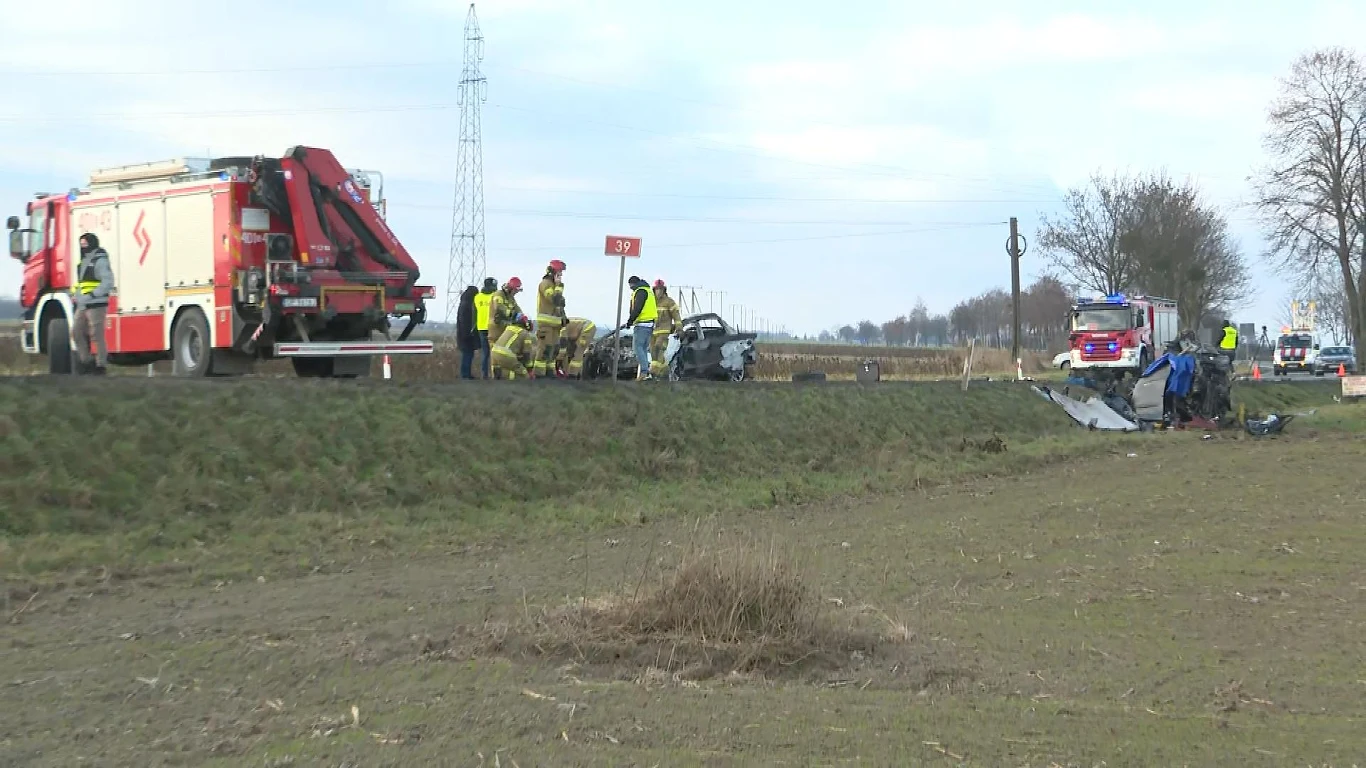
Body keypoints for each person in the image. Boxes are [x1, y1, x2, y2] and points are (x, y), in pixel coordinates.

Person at [73, 232, 114, 375]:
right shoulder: (83, 261)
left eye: (85, 244)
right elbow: (81, 283)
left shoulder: (100, 260)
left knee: (96, 334)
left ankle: (100, 365)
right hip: (83, 304)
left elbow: (108, 282)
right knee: (76, 332)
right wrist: (76, 294)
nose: (83, 247)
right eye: (81, 244)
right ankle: (86, 362)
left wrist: (93, 294)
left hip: (97, 303)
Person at [534, 260, 567, 378]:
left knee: (553, 350)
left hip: (555, 324)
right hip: (546, 324)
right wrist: (558, 286)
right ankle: (539, 375)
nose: (561, 275)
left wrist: (563, 319)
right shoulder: (545, 284)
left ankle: (549, 373)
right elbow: (554, 299)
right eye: (559, 272)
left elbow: (560, 305)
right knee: (544, 350)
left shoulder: (553, 285)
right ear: (554, 272)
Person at [622, 275, 658, 380]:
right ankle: (646, 372)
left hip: (642, 324)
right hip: (649, 324)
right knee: (643, 349)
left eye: (631, 286)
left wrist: (630, 321)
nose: (630, 288)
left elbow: (637, 308)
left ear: (633, 284)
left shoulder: (640, 291)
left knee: (638, 348)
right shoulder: (648, 291)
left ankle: (644, 372)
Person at [649, 279, 682, 378]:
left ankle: (654, 372)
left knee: (658, 348)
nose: (659, 291)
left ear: (664, 290)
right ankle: (664, 370)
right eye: (657, 289)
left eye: (661, 289)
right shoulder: (651, 302)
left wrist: (679, 328)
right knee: (653, 351)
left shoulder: (669, 302)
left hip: (664, 331)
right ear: (654, 290)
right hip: (652, 331)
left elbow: (676, 316)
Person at [490, 315, 536, 380]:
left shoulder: (509, 328)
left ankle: (499, 377)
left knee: (499, 375)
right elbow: (526, 354)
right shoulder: (524, 333)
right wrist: (529, 370)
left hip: (494, 353)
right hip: (505, 355)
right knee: (524, 375)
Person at [487, 277, 524, 349]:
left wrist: (523, 318)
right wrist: (512, 314)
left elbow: (517, 309)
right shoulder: (499, 294)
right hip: (496, 327)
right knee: (495, 350)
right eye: (515, 291)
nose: (515, 293)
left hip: (505, 328)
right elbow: (499, 306)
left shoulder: (511, 298)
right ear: (510, 288)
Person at [473, 277, 497, 378]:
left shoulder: (477, 297)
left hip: (481, 327)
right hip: (493, 327)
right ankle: (495, 373)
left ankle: (484, 374)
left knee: (485, 352)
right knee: (495, 351)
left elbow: (474, 312)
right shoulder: (494, 296)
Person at [455, 285, 480, 380]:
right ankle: (465, 374)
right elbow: (465, 321)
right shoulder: (468, 305)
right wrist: (469, 333)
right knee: (468, 354)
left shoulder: (463, 303)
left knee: (467, 354)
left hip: (463, 334)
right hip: (466, 335)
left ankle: (466, 373)